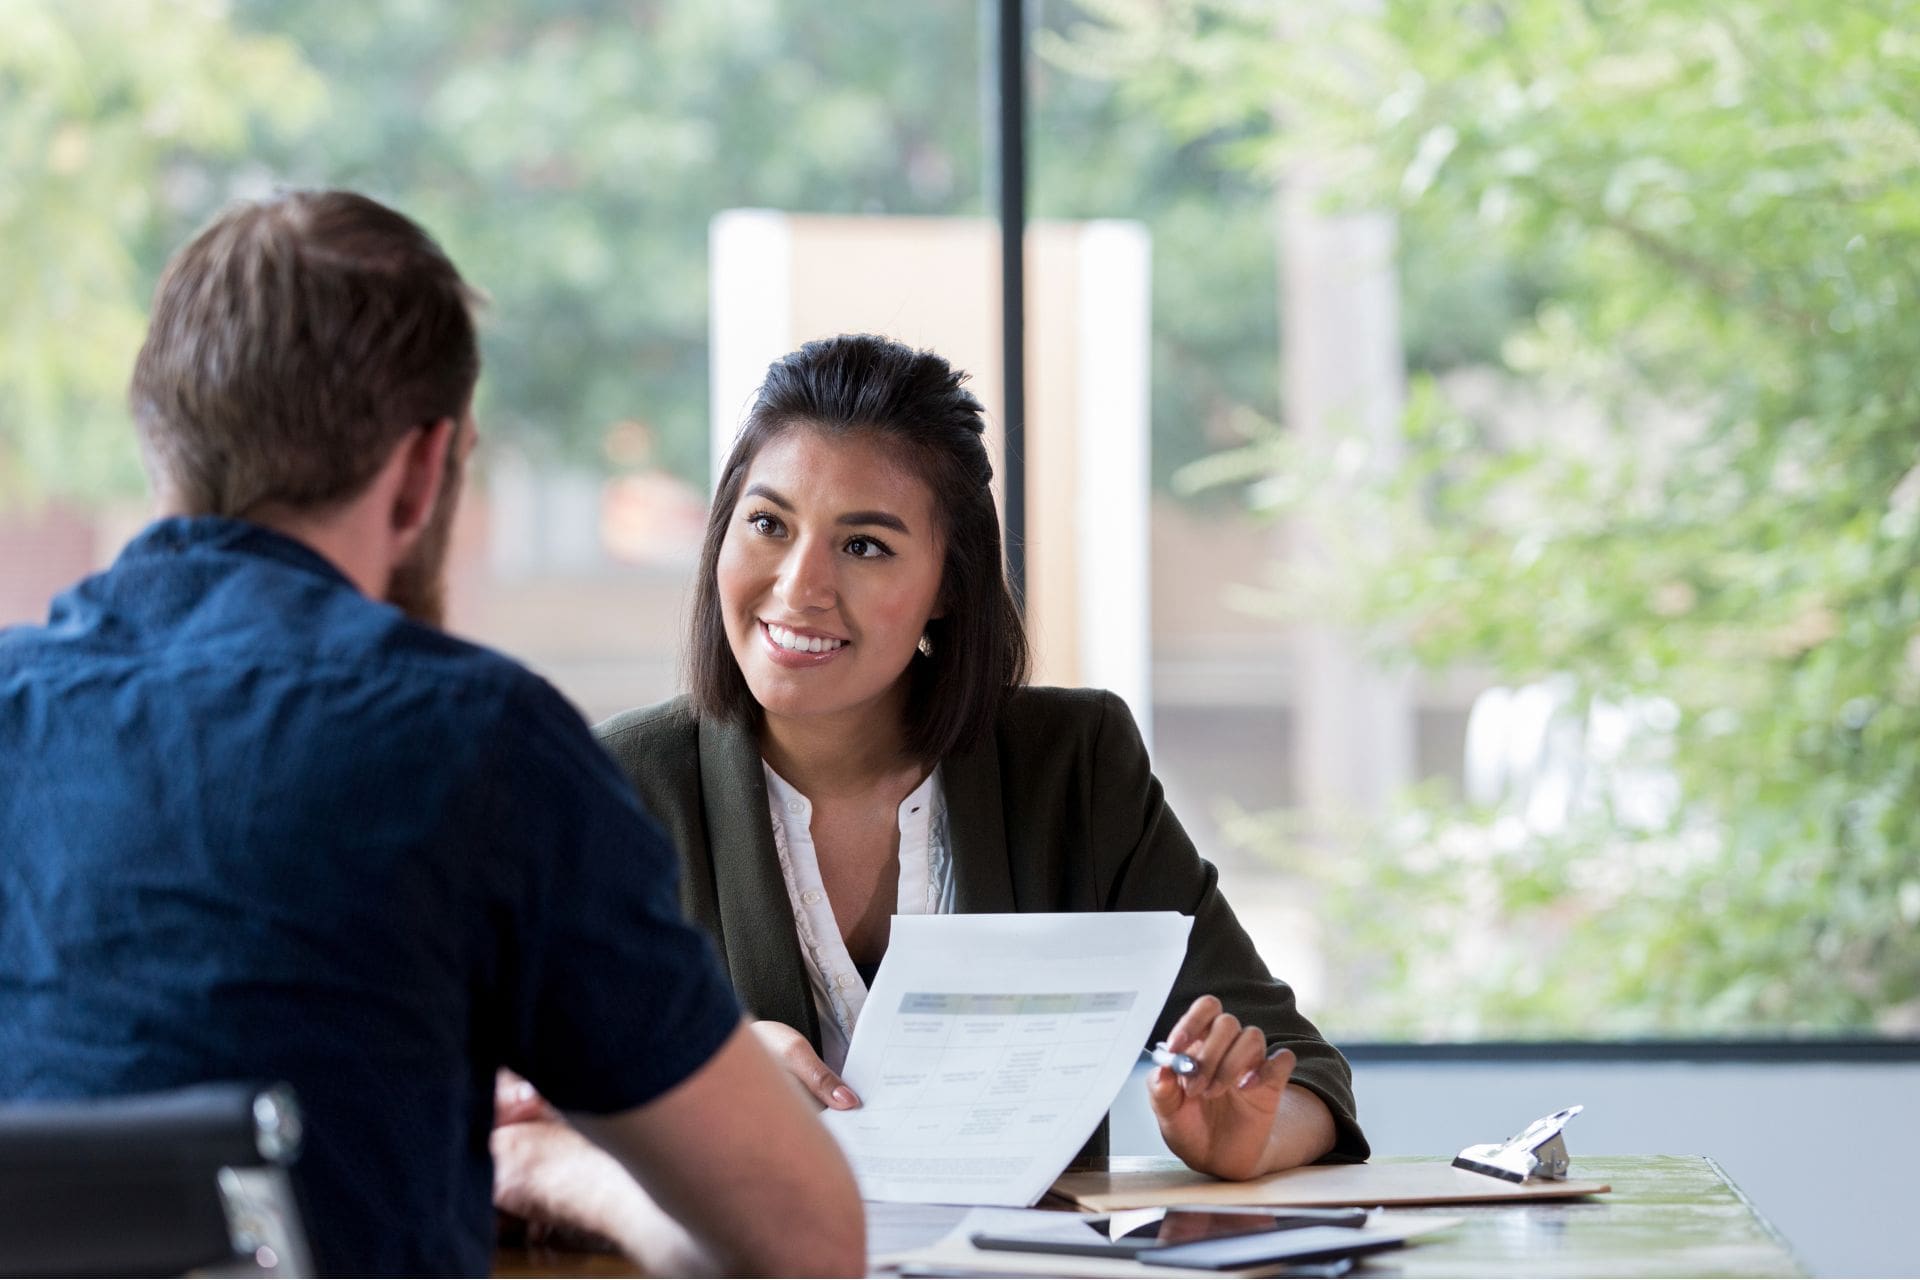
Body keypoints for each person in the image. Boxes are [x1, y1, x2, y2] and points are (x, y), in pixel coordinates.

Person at [0, 192, 863, 1277]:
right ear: (423, 469)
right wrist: (560, 1168)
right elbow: (808, 1241)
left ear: (158, 434)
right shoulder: (474, 743)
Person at [501, 334, 1364, 1217]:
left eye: (866, 546)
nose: (800, 588)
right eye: (768, 524)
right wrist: (694, 1079)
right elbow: (499, 1102)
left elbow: (1301, 1070)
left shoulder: (1073, 766)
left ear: (948, 586)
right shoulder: (613, 784)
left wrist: (1251, 1136)